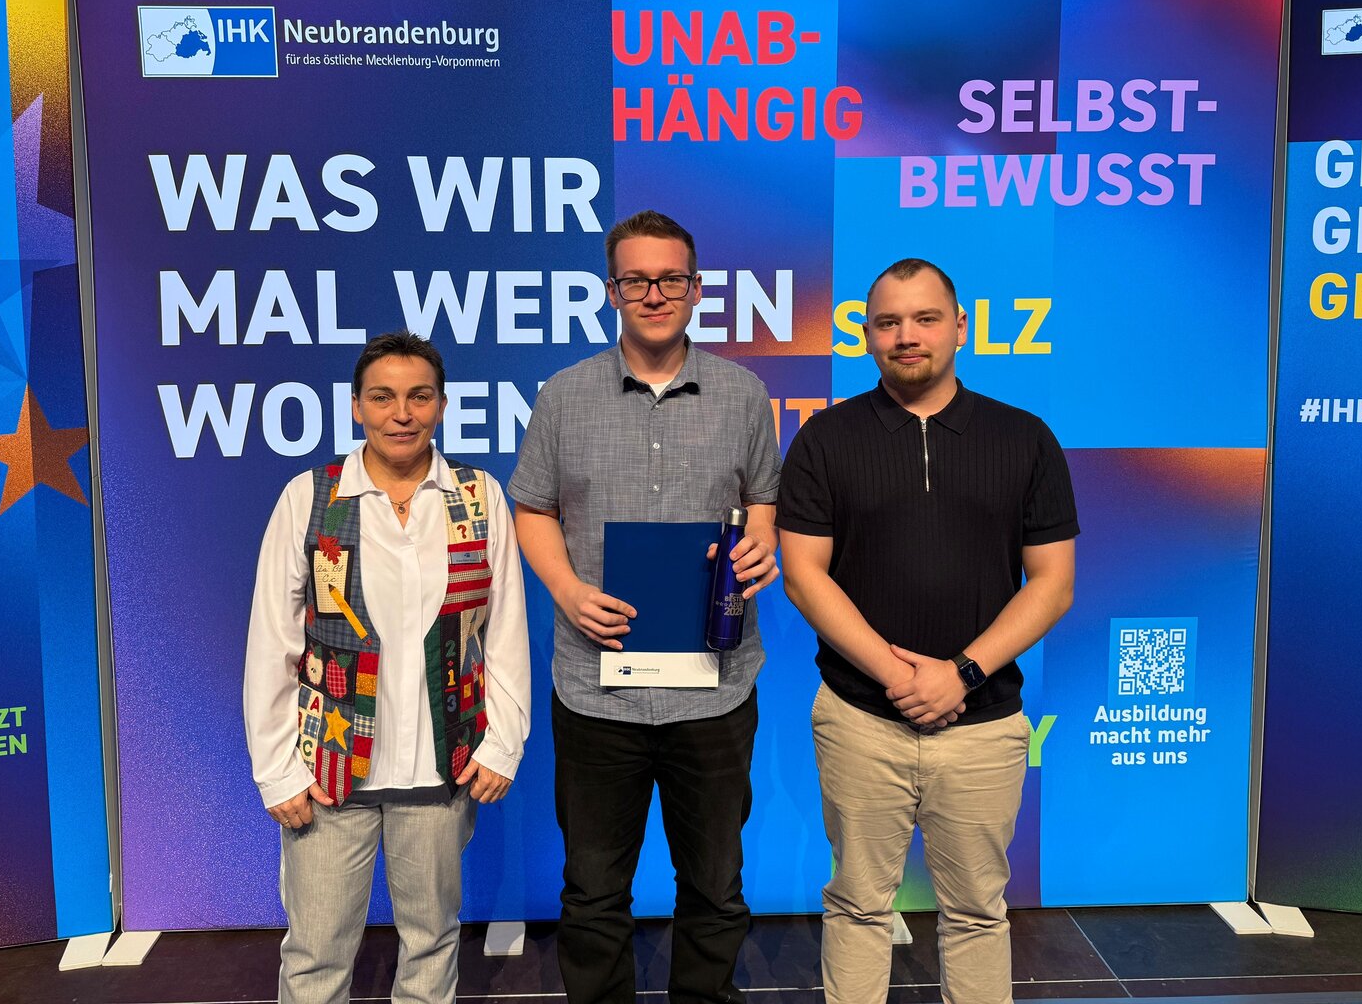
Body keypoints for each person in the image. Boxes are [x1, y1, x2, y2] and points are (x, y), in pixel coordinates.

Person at [777, 258, 1077, 1004]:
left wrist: (960, 674)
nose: (905, 336)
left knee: (977, 911)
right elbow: (803, 575)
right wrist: (899, 676)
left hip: (984, 724)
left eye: (924, 319)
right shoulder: (825, 439)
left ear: (960, 327)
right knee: (856, 905)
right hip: (860, 717)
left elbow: (1053, 584)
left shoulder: (1025, 438)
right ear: (866, 334)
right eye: (887, 322)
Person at [509, 209, 782, 1004]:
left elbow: (762, 500)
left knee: (716, 887)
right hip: (597, 692)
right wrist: (568, 591)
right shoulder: (564, 396)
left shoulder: (743, 394)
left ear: (696, 289)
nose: (653, 294)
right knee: (594, 893)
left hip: (714, 687)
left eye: (669, 279)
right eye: (636, 280)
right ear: (612, 291)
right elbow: (533, 508)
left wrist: (760, 544)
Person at [244, 331, 531, 1004]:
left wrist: (502, 743)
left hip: (442, 769)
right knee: (315, 956)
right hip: (327, 774)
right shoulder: (310, 497)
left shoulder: (478, 495)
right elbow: (272, 643)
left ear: (442, 405)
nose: (401, 413)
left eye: (419, 396)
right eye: (383, 397)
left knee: (431, 945)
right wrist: (277, 770)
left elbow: (504, 630)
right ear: (356, 406)